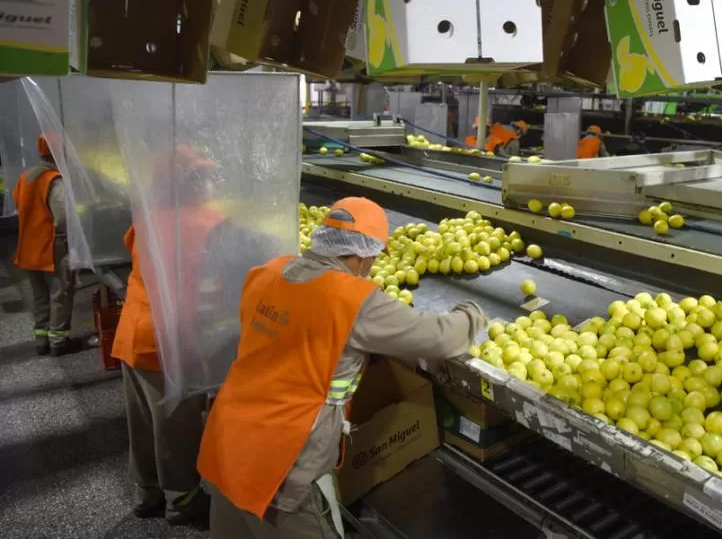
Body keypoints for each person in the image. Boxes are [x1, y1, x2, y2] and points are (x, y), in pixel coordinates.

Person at [198, 197, 488, 539]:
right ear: (363, 255)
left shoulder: (267, 272)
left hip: (225, 438)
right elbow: (438, 338)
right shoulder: (352, 299)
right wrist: (472, 314)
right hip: (280, 465)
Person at [112, 147, 223, 524]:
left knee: (142, 421)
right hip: (168, 342)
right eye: (202, 176)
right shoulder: (205, 222)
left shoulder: (148, 216)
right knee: (177, 426)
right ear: (186, 184)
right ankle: (183, 500)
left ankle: (147, 493)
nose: (211, 182)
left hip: (134, 332)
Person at [12, 134, 74, 356]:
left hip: (28, 244)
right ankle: (58, 342)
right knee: (61, 293)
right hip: (51, 245)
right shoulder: (53, 179)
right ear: (57, 154)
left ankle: (41, 339)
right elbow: (63, 218)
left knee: (39, 295)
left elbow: (19, 204)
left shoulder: (27, 175)